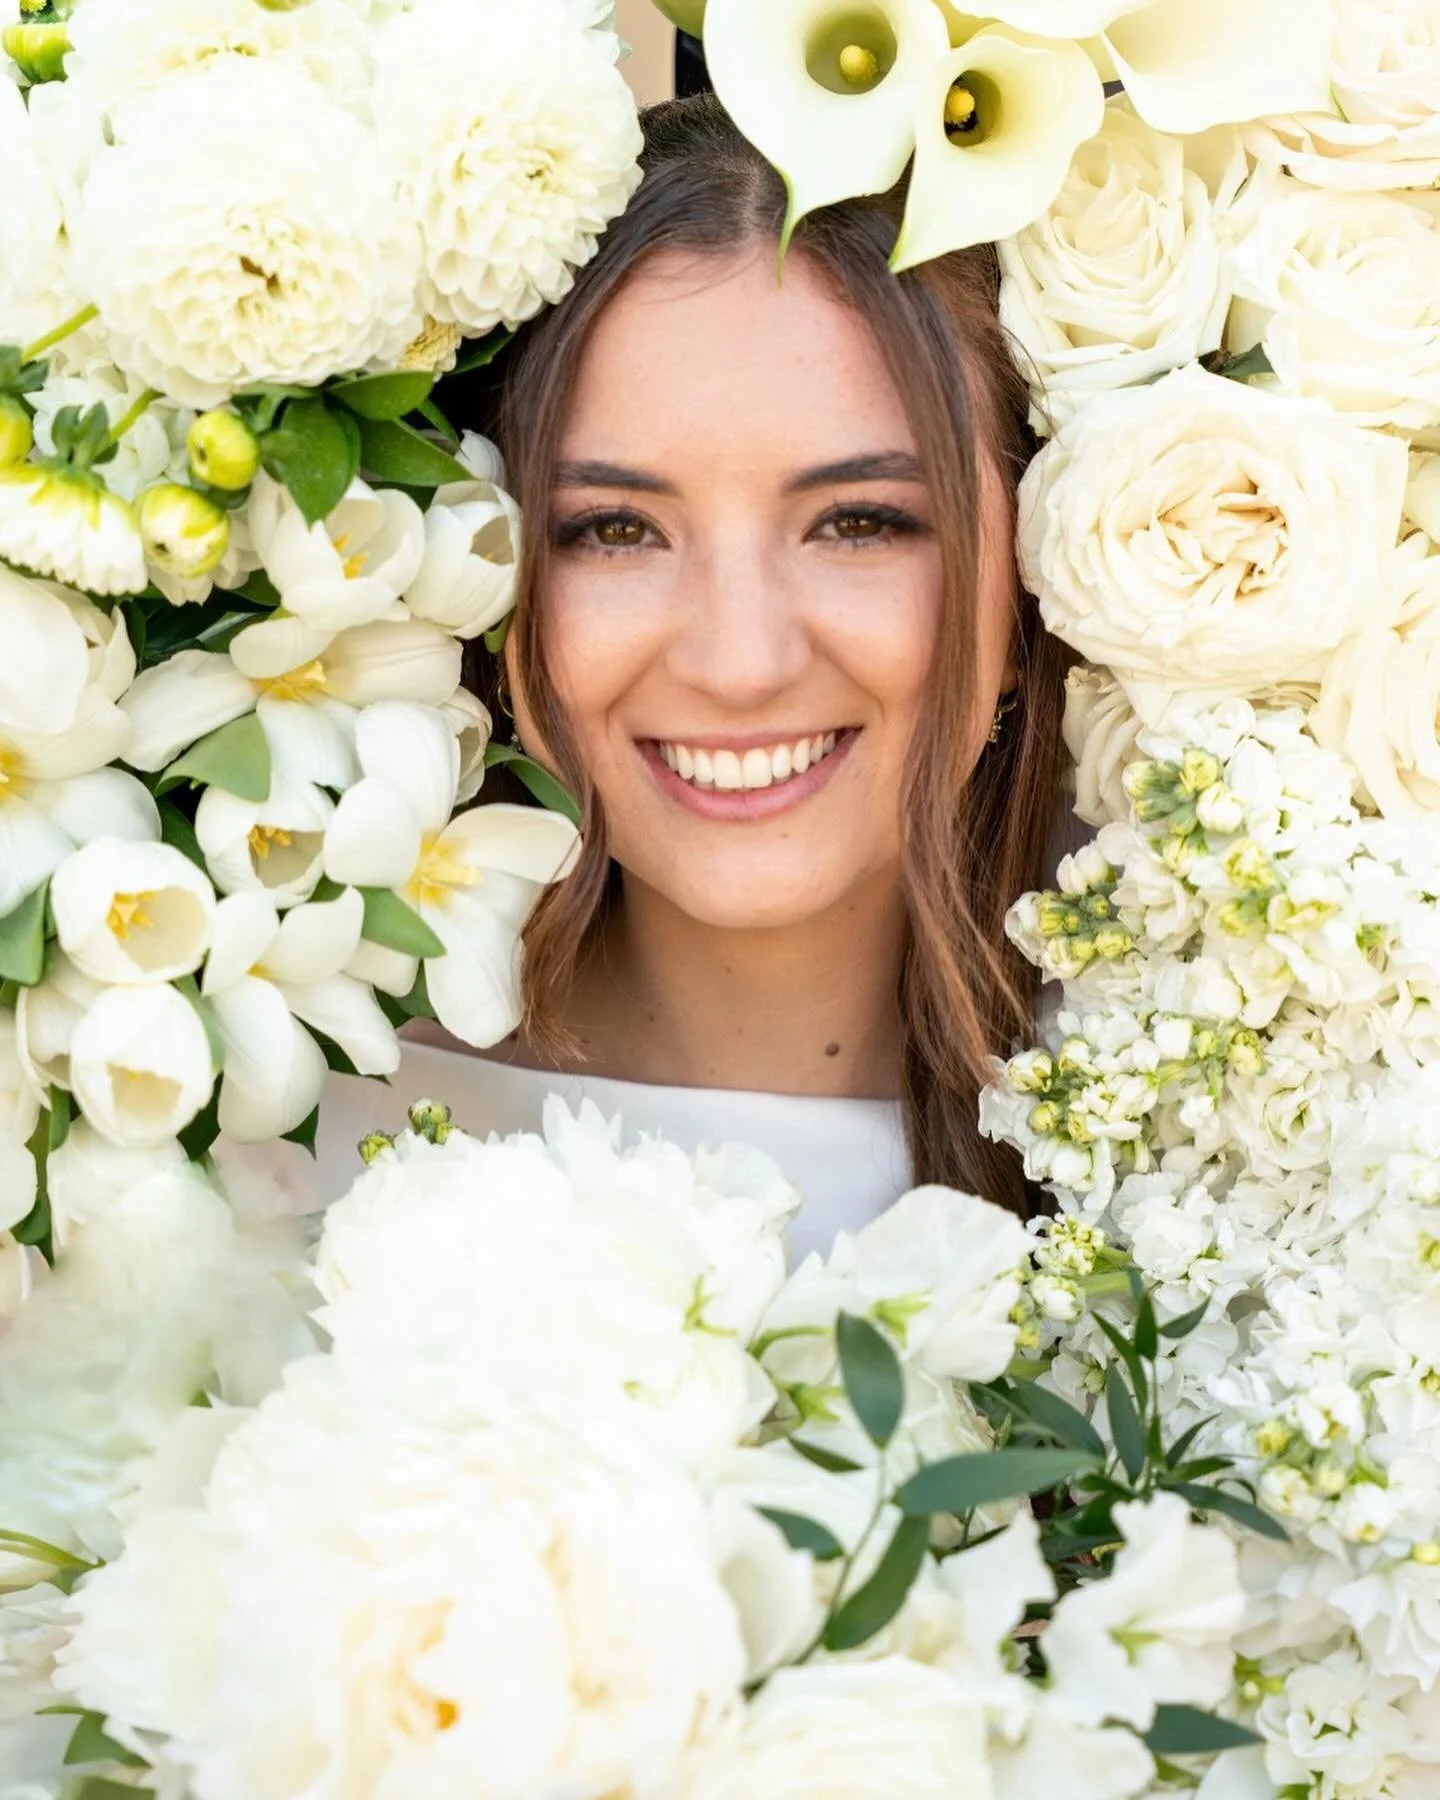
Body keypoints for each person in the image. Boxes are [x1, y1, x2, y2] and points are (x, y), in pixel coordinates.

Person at [236, 95, 1069, 1257]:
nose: (739, 663)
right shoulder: (266, 1165)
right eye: (614, 530)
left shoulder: (1242, 1187)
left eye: (861, 522)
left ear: (1037, 575)